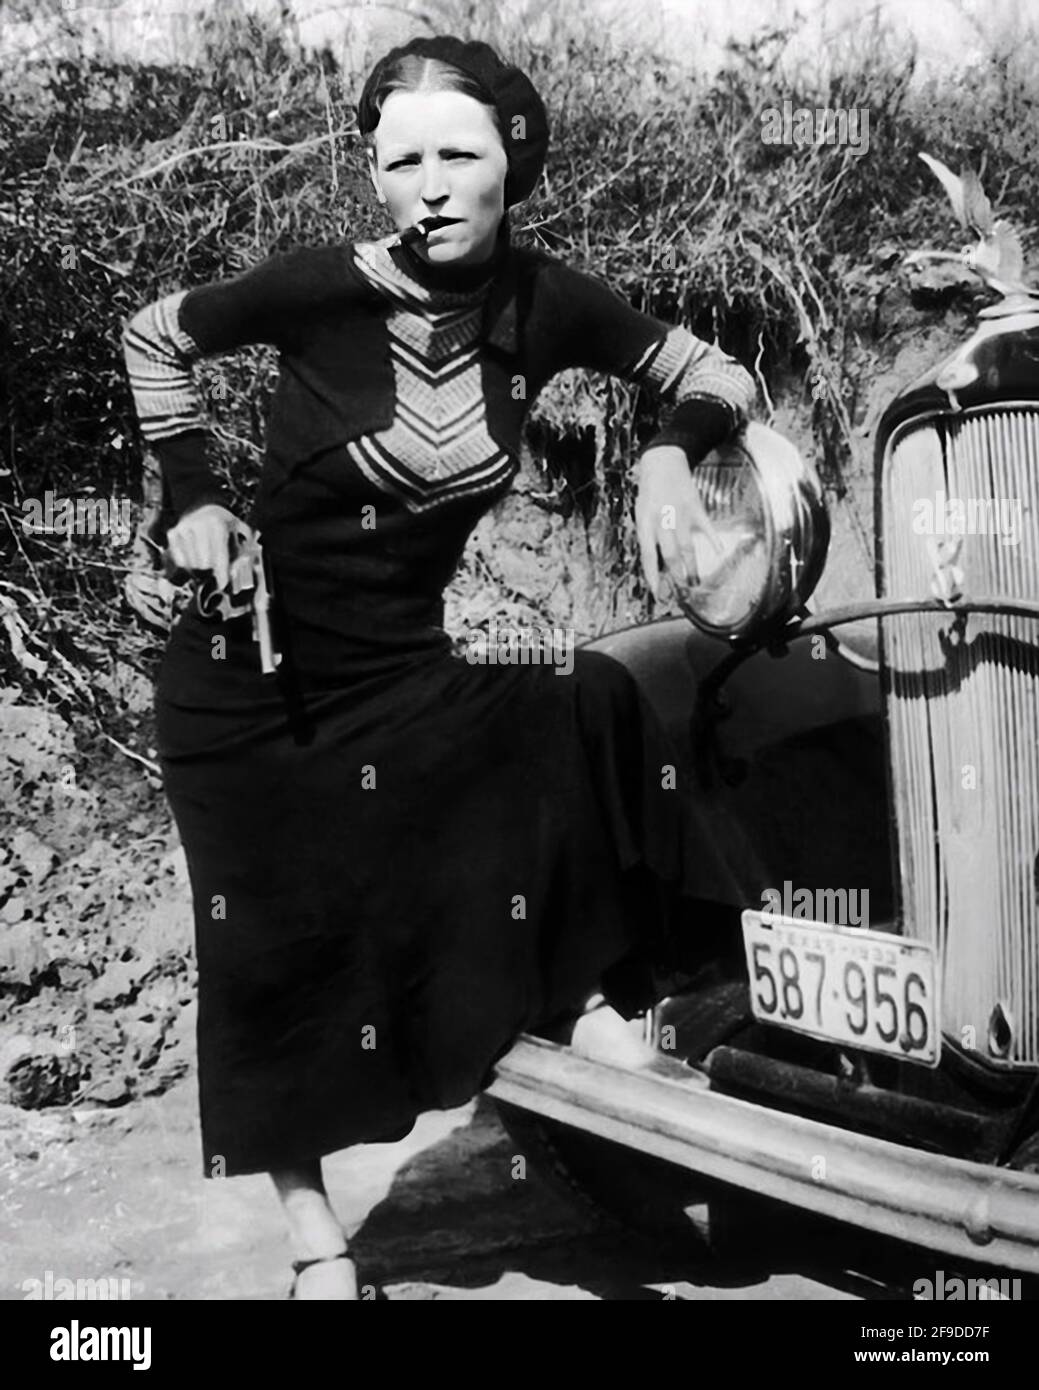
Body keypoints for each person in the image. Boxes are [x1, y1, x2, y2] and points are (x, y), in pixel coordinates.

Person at [121, 34, 756, 1300]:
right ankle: (317, 1244)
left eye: (458, 155)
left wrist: (671, 448)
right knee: (278, 954)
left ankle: (576, 998)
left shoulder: (544, 302)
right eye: (398, 159)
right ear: (372, 176)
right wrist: (192, 494)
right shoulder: (318, 287)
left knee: (577, 701)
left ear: (510, 163)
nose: (430, 185)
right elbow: (151, 334)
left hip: (401, 672)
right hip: (250, 685)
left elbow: (717, 371)